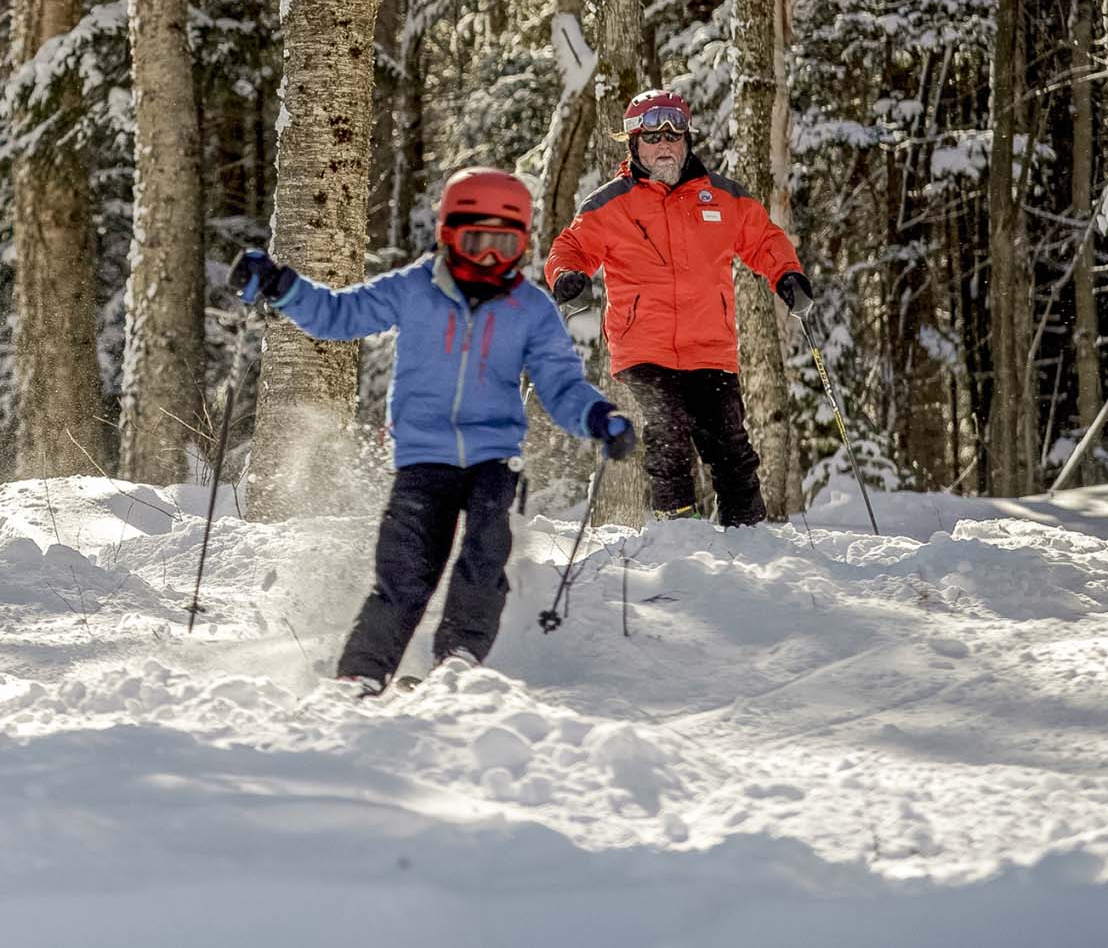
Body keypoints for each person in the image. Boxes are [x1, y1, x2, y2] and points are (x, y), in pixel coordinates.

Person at [234, 167, 637, 697]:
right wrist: (283, 288)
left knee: (486, 551)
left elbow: (561, 383)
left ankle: (459, 658)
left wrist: (596, 416)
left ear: (522, 244)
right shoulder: (414, 289)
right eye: (476, 242)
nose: (489, 259)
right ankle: (362, 673)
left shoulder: (530, 309)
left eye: (504, 245)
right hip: (422, 457)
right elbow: (339, 314)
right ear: (449, 234)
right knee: (405, 570)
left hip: (495, 458)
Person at [544, 87, 811, 527]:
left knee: (731, 445)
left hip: (710, 346)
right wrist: (568, 277)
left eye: (674, 135)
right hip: (643, 349)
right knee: (667, 431)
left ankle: (749, 538)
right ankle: (679, 534)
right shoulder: (610, 204)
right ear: (634, 144)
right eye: (653, 138)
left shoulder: (723, 198)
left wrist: (787, 274)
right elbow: (569, 247)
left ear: (687, 139)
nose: (664, 146)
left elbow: (766, 240)